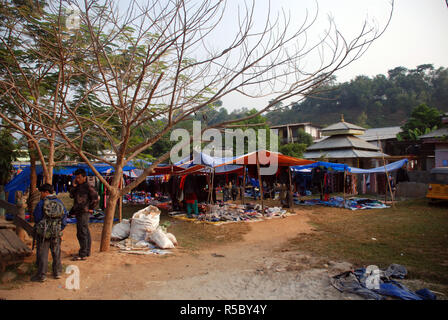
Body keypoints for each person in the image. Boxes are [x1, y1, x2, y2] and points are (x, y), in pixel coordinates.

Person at [31, 183, 68, 282]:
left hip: (44, 233)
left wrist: (41, 228)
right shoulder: (59, 202)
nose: (41, 195)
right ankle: (57, 272)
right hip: (56, 232)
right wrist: (59, 229)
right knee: (56, 252)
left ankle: (42, 275)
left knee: (43, 253)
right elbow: (64, 218)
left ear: (46, 192)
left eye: (41, 193)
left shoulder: (41, 203)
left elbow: (37, 217)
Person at [69, 168, 99, 261]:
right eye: (76, 177)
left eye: (79, 177)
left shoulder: (88, 186)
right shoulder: (78, 186)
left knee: (82, 232)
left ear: (84, 177)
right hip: (78, 211)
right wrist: (73, 186)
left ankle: (83, 253)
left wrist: (91, 208)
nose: (77, 179)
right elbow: (71, 195)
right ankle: (86, 251)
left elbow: (96, 198)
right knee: (84, 231)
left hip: (84, 212)